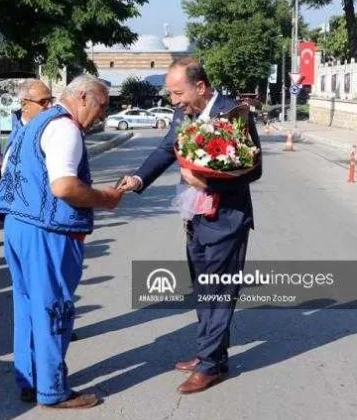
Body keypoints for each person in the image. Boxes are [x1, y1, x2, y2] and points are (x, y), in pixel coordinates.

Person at [117, 57, 262, 394]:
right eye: (171, 95)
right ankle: (211, 355)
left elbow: (252, 170)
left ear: (201, 86)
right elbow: (165, 148)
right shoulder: (184, 114)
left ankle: (210, 366)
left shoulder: (234, 113)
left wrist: (207, 180)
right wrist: (139, 178)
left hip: (227, 219)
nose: (174, 101)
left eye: (178, 93)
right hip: (194, 218)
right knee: (203, 289)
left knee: (219, 292)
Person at [0, 75, 122, 409]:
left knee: (27, 305)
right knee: (53, 308)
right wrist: (105, 198)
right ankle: (53, 390)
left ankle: (29, 379)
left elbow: (8, 171)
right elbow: (63, 187)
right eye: (102, 105)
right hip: (46, 232)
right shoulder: (65, 127)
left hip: (18, 226)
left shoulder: (31, 125)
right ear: (81, 96)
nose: (103, 114)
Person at [3, 80, 54, 155]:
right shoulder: (17, 143)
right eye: (43, 102)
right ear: (24, 105)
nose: (50, 106)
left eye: (51, 101)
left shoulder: (48, 130)